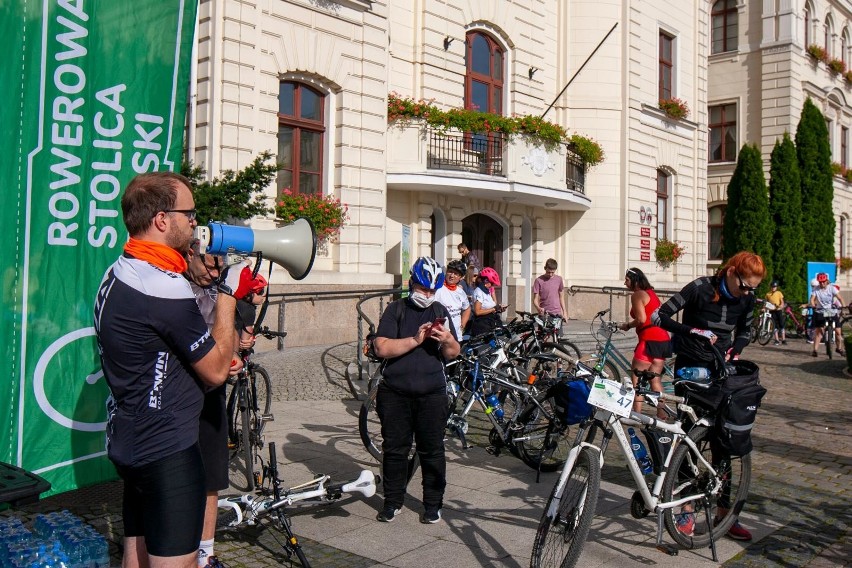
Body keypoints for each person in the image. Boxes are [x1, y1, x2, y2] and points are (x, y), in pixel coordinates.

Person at [94, 172, 262, 568]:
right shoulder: (163, 287)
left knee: (135, 553)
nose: (194, 222)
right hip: (166, 449)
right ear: (161, 220)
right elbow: (217, 370)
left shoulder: (120, 270)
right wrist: (228, 292)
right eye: (189, 213)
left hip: (132, 437)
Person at [653, 251, 765, 543]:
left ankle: (725, 515)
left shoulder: (747, 298)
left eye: (753, 288)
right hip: (691, 368)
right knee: (689, 439)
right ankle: (686, 510)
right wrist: (693, 330)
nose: (748, 292)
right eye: (744, 285)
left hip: (722, 370)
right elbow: (660, 316)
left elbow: (745, 330)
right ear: (730, 271)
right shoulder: (700, 288)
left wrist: (736, 349)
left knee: (723, 442)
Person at [184, 244, 263, 568]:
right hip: (181, 396)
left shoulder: (218, 289)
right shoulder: (175, 288)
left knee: (213, 477)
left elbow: (227, 336)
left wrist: (229, 358)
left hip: (211, 395)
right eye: (211, 265)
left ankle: (206, 552)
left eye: (221, 267)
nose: (216, 273)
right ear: (191, 254)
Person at [373, 257, 460, 524]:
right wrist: (415, 340)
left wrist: (447, 340)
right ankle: (393, 501)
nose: (427, 295)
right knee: (395, 450)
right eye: (423, 289)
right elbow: (381, 348)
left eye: (432, 291)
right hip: (395, 393)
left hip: (432, 393)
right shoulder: (395, 309)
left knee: (431, 450)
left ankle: (433, 504)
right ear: (412, 284)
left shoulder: (440, 311)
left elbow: (454, 353)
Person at [618, 268, 671, 419]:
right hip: (662, 338)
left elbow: (641, 319)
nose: (624, 283)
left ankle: (636, 413)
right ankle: (661, 413)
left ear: (634, 281)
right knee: (655, 380)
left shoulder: (637, 295)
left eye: (627, 280)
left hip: (649, 339)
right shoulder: (651, 293)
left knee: (637, 379)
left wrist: (628, 325)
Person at [810, 272, 845, 357]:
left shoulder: (832, 288)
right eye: (820, 282)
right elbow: (812, 299)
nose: (822, 283)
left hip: (830, 310)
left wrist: (843, 307)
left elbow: (840, 298)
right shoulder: (816, 289)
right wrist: (813, 305)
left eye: (823, 281)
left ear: (826, 281)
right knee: (819, 332)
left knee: (838, 332)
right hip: (820, 311)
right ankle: (815, 350)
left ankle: (839, 348)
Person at [434, 259, 471, 341]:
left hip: (457, 335)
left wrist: (463, 324)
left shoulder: (460, 292)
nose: (452, 275)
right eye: (450, 272)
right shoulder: (438, 289)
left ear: (460, 277)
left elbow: (467, 309)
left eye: (456, 274)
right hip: (441, 334)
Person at [469, 267, 506, 337]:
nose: (492, 286)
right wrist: (494, 308)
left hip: (490, 322)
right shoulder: (479, 291)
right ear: (486, 280)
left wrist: (498, 310)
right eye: (492, 283)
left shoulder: (486, 291)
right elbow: (478, 312)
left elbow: (487, 308)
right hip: (483, 325)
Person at [764, 280, 787, 346]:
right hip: (772, 311)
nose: (773, 288)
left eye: (775, 286)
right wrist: (764, 308)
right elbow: (766, 302)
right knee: (774, 325)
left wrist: (781, 306)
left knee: (781, 324)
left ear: (776, 287)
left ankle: (783, 339)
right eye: (772, 286)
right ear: (770, 287)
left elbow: (782, 301)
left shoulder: (779, 293)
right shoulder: (768, 294)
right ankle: (776, 340)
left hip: (778, 310)